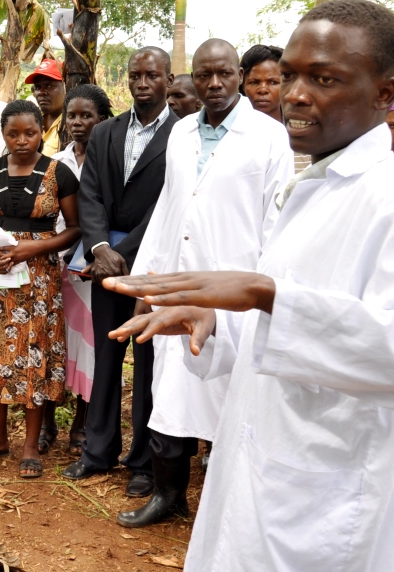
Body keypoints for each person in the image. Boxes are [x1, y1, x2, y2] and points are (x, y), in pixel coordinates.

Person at [105, 0, 394, 571]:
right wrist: (217, 324)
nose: (295, 95)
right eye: (292, 76)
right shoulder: (318, 183)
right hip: (263, 478)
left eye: (324, 79)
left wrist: (265, 295)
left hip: (324, 512)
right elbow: (291, 331)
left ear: (383, 94)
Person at [116, 38, 293, 528]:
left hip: (235, 291)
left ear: (238, 74)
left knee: (234, 397)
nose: (214, 84)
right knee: (171, 393)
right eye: (203, 75)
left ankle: (232, 509)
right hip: (177, 284)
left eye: (223, 74)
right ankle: (169, 497)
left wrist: (264, 286)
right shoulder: (181, 133)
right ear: (189, 78)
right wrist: (146, 287)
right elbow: (169, 210)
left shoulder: (268, 136)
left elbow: (274, 222)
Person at [63, 48, 176, 489]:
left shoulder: (183, 135)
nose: (142, 83)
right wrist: (98, 248)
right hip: (105, 265)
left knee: (148, 364)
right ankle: (98, 452)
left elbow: (170, 203)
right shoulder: (107, 131)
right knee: (107, 358)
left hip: (151, 265)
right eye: (135, 75)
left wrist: (125, 251)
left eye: (152, 75)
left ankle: (144, 464)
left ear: (167, 79)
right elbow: (89, 193)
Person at [0, 100, 81, 478]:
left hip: (40, 281)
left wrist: (35, 246)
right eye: (13, 133)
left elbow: (75, 229)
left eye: (30, 133)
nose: (22, 140)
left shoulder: (58, 173)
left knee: (34, 355)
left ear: (41, 131)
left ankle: (30, 445)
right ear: (4, 134)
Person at [47, 83, 113, 457]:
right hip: (55, 265)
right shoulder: (57, 163)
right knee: (57, 342)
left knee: (87, 345)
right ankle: (50, 421)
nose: (77, 122)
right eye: (72, 115)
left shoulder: (109, 160)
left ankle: (82, 421)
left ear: (102, 119)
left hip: (91, 270)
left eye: (86, 115)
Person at [26, 58, 66, 155]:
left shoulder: (71, 126)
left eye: (49, 86)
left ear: (65, 86)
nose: (41, 92)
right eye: (38, 87)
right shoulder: (31, 120)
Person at [239, 44, 283, 121]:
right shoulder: (228, 128)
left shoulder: (302, 128)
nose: (263, 90)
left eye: (273, 82)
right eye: (254, 82)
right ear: (243, 85)